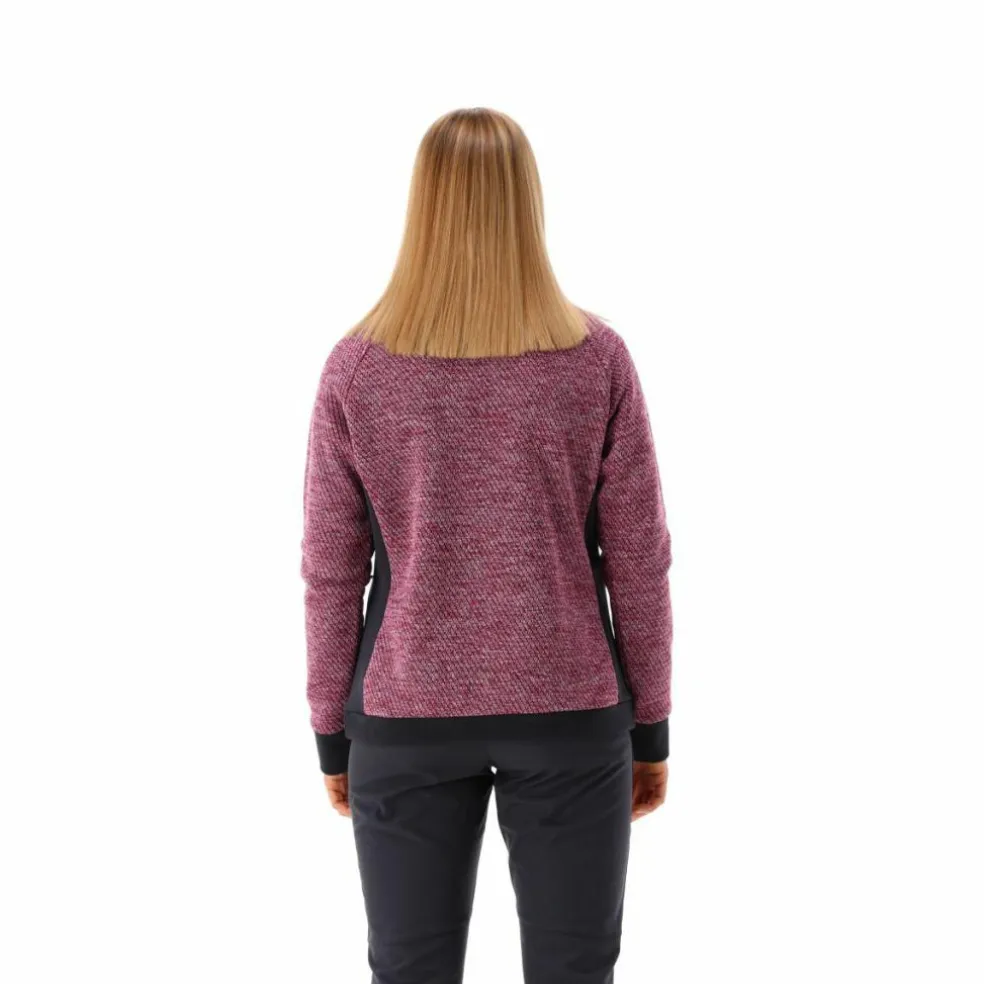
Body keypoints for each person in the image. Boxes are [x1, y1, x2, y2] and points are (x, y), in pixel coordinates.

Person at [301, 107, 672, 984]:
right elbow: (640, 561)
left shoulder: (359, 369)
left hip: (404, 716)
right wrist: (652, 725)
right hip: (571, 711)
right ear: (528, 204)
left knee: (409, 970)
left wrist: (330, 733)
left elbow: (330, 572)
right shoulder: (595, 361)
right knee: (576, 971)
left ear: (422, 208)